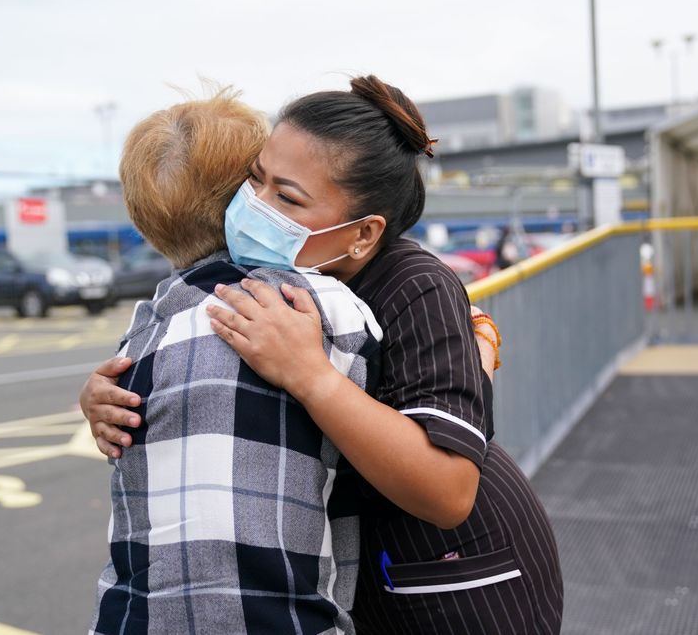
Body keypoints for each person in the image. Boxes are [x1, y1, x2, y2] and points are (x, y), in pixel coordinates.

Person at [82, 75, 564, 635]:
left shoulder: (414, 283)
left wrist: (311, 376)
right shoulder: (287, 276)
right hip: (372, 583)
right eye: (254, 180)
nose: (255, 206)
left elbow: (449, 491)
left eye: (287, 198)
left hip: (457, 585)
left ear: (362, 234)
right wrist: (114, 393)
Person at [87, 91, 383, 634]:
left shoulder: (143, 330)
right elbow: (390, 407)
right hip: (278, 619)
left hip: (131, 618)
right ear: (241, 200)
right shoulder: (316, 304)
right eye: (258, 179)